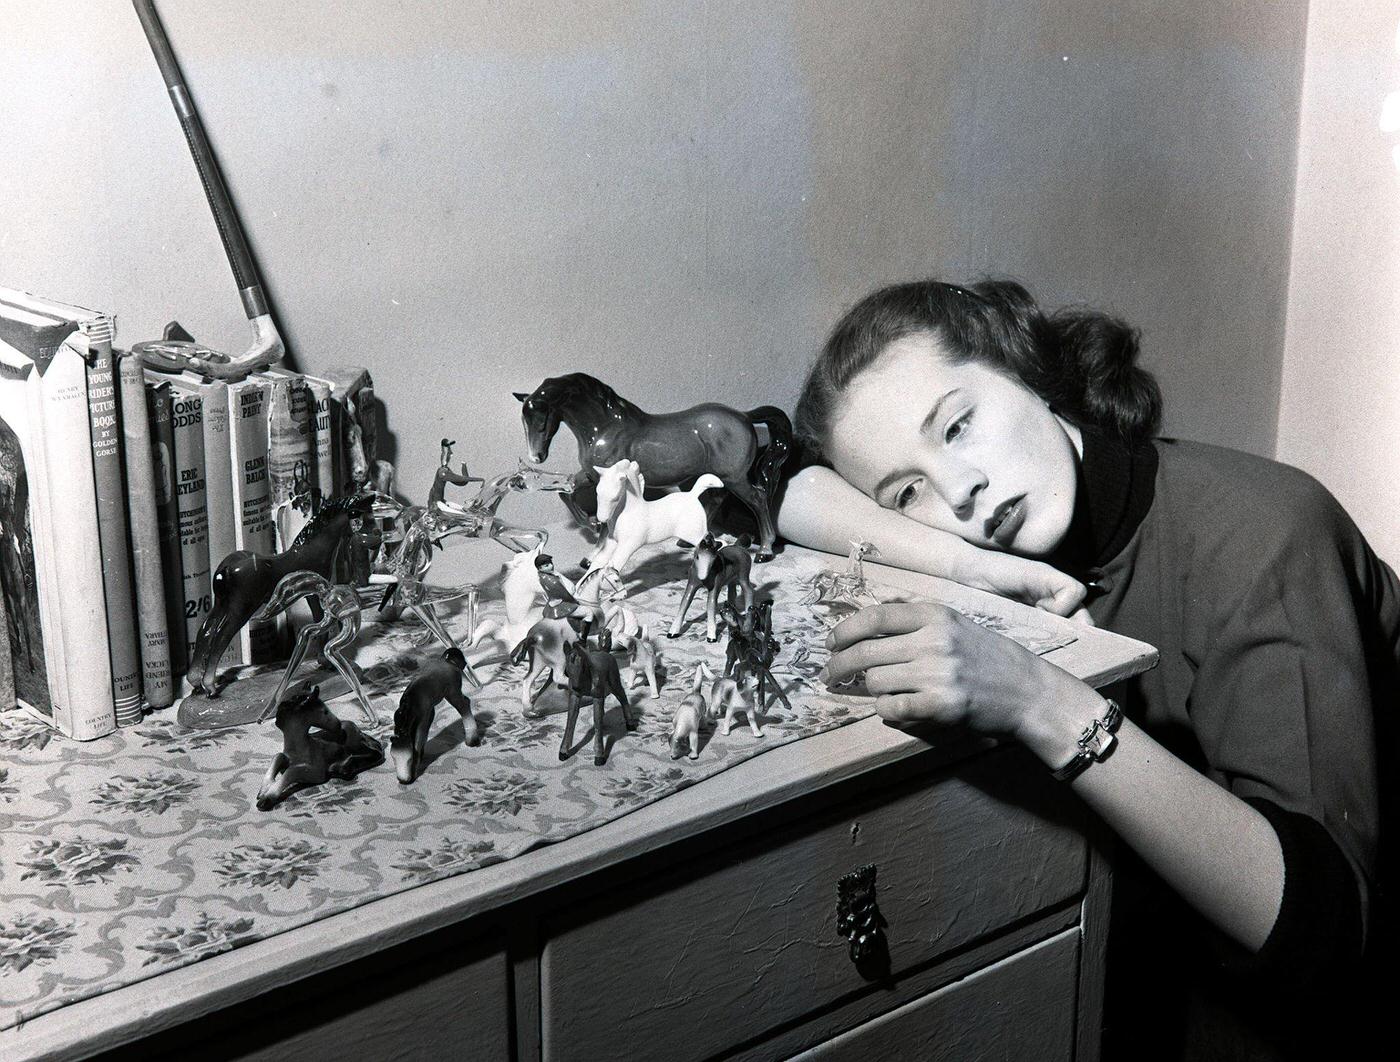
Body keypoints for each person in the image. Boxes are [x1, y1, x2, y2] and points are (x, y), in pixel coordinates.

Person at [776, 278, 1398, 1060]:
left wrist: (1042, 700)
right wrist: (963, 565)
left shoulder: (1266, 531)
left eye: (959, 425)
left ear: (1029, 372)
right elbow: (751, 472)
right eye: (908, 492)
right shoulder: (1001, 560)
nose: (961, 490)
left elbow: (1325, 933)